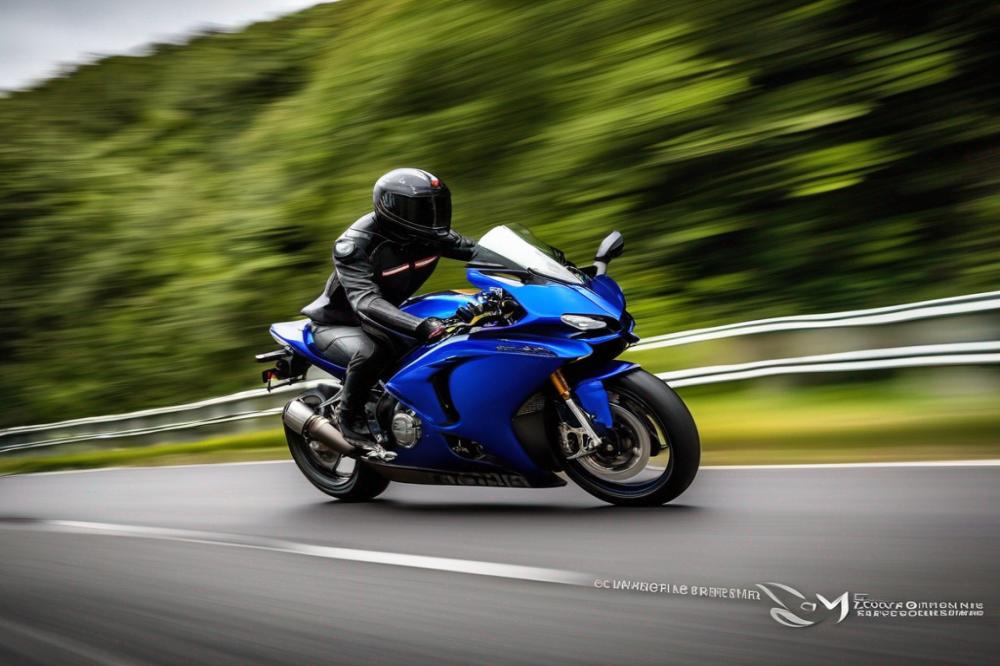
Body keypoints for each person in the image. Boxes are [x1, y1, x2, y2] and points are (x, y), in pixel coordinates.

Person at [301, 168, 478, 460]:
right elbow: (365, 301)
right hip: (340, 322)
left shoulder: (431, 235)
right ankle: (349, 419)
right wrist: (420, 326)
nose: (431, 216)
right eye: (422, 208)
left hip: (389, 312)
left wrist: (542, 268)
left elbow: (479, 251)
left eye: (435, 207)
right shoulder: (355, 245)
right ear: (392, 208)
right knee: (373, 352)